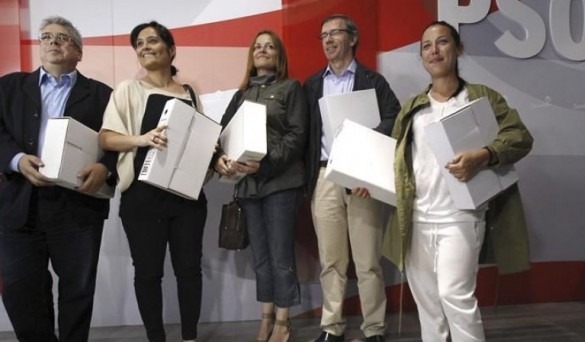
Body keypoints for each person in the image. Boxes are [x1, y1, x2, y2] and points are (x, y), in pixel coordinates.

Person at [383, 21, 534, 341]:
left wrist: (484, 154)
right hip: (416, 220)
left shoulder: (482, 99)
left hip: (462, 216)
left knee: (455, 296)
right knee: (429, 306)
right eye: (426, 46)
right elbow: (395, 162)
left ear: (458, 49)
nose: (434, 51)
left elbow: (520, 137)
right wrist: (370, 180)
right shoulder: (412, 109)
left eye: (441, 42)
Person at [0, 16, 116, 341]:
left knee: (77, 294)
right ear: (39, 46)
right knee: (22, 292)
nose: (53, 42)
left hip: (77, 207)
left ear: (78, 52)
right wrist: (17, 159)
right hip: (20, 206)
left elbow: (120, 142)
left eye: (63, 38)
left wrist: (104, 168)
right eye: (47, 37)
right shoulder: (7, 87)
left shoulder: (103, 96)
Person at [99, 21, 207, 342]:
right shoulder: (128, 90)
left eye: (152, 40)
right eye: (139, 43)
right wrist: (142, 139)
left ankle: (189, 337)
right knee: (148, 274)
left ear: (171, 50)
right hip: (142, 199)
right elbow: (106, 139)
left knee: (189, 271)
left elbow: (200, 141)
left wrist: (218, 159)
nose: (144, 47)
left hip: (187, 198)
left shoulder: (190, 93)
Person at [303, 14, 401, 342]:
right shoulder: (312, 84)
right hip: (325, 175)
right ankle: (332, 328)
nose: (328, 40)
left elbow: (395, 118)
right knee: (331, 260)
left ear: (353, 38)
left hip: (363, 177)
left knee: (367, 261)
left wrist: (366, 148)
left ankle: (374, 329)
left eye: (335, 33)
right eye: (323, 35)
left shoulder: (374, 81)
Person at [214, 29, 307, 342]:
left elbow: (297, 136)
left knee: (281, 255)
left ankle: (283, 320)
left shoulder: (291, 88)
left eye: (270, 47)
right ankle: (265, 314)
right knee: (261, 258)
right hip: (247, 187)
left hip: (281, 183)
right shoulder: (240, 94)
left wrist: (265, 164)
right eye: (258, 46)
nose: (263, 50)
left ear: (279, 56)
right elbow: (222, 135)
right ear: (251, 55)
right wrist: (222, 159)